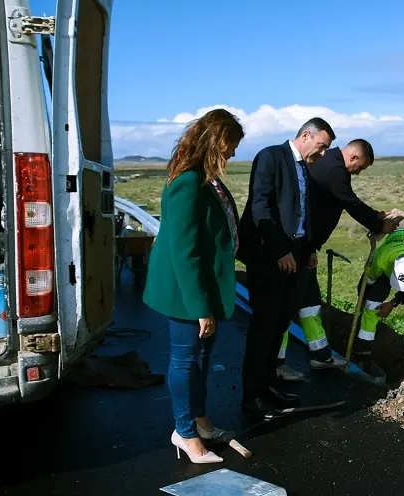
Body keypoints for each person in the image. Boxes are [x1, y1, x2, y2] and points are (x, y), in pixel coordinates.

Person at [142, 108, 245, 464]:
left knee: (201, 358)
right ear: (216, 142)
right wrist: (200, 307)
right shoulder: (187, 180)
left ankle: (199, 421)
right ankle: (184, 432)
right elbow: (184, 251)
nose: (233, 154)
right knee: (185, 361)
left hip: (205, 285)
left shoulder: (205, 176)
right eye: (230, 146)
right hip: (186, 291)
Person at [275, 138, 400, 382]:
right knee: (286, 305)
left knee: (310, 301)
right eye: (361, 167)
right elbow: (349, 201)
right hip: (294, 248)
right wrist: (378, 223)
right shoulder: (334, 168)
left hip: (305, 246)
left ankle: (320, 354)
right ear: (353, 158)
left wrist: (312, 248)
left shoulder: (331, 165)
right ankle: (276, 364)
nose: (359, 172)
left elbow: (338, 201)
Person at [236, 117, 335, 416]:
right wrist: (280, 250)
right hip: (270, 257)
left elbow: (303, 210)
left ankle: (268, 387)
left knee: (280, 325)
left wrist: (310, 248)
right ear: (306, 135)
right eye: (321, 146)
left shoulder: (304, 165)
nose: (322, 154)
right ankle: (251, 397)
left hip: (298, 257)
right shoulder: (271, 156)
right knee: (263, 328)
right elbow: (261, 206)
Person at [352, 227, 404, 361]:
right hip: (391, 249)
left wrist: (393, 303)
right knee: (373, 300)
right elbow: (368, 280)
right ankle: (364, 343)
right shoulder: (381, 258)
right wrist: (362, 298)